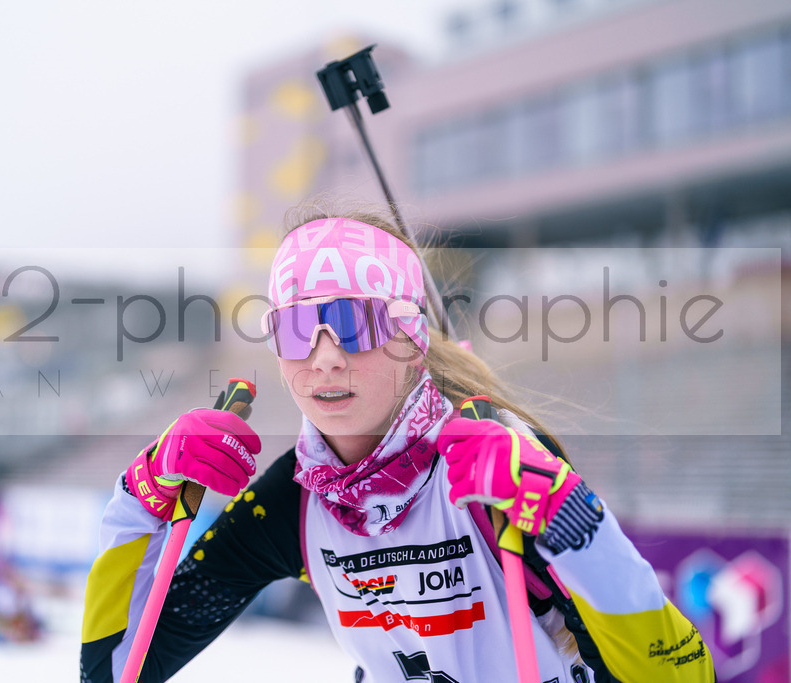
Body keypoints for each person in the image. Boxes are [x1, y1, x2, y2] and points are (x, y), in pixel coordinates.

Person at [80, 211, 715, 682]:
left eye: (356, 322)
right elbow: (114, 671)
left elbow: (678, 676)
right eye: (300, 328)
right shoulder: (296, 502)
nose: (325, 359)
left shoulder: (493, 461)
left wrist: (568, 516)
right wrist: (142, 496)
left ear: (411, 337)